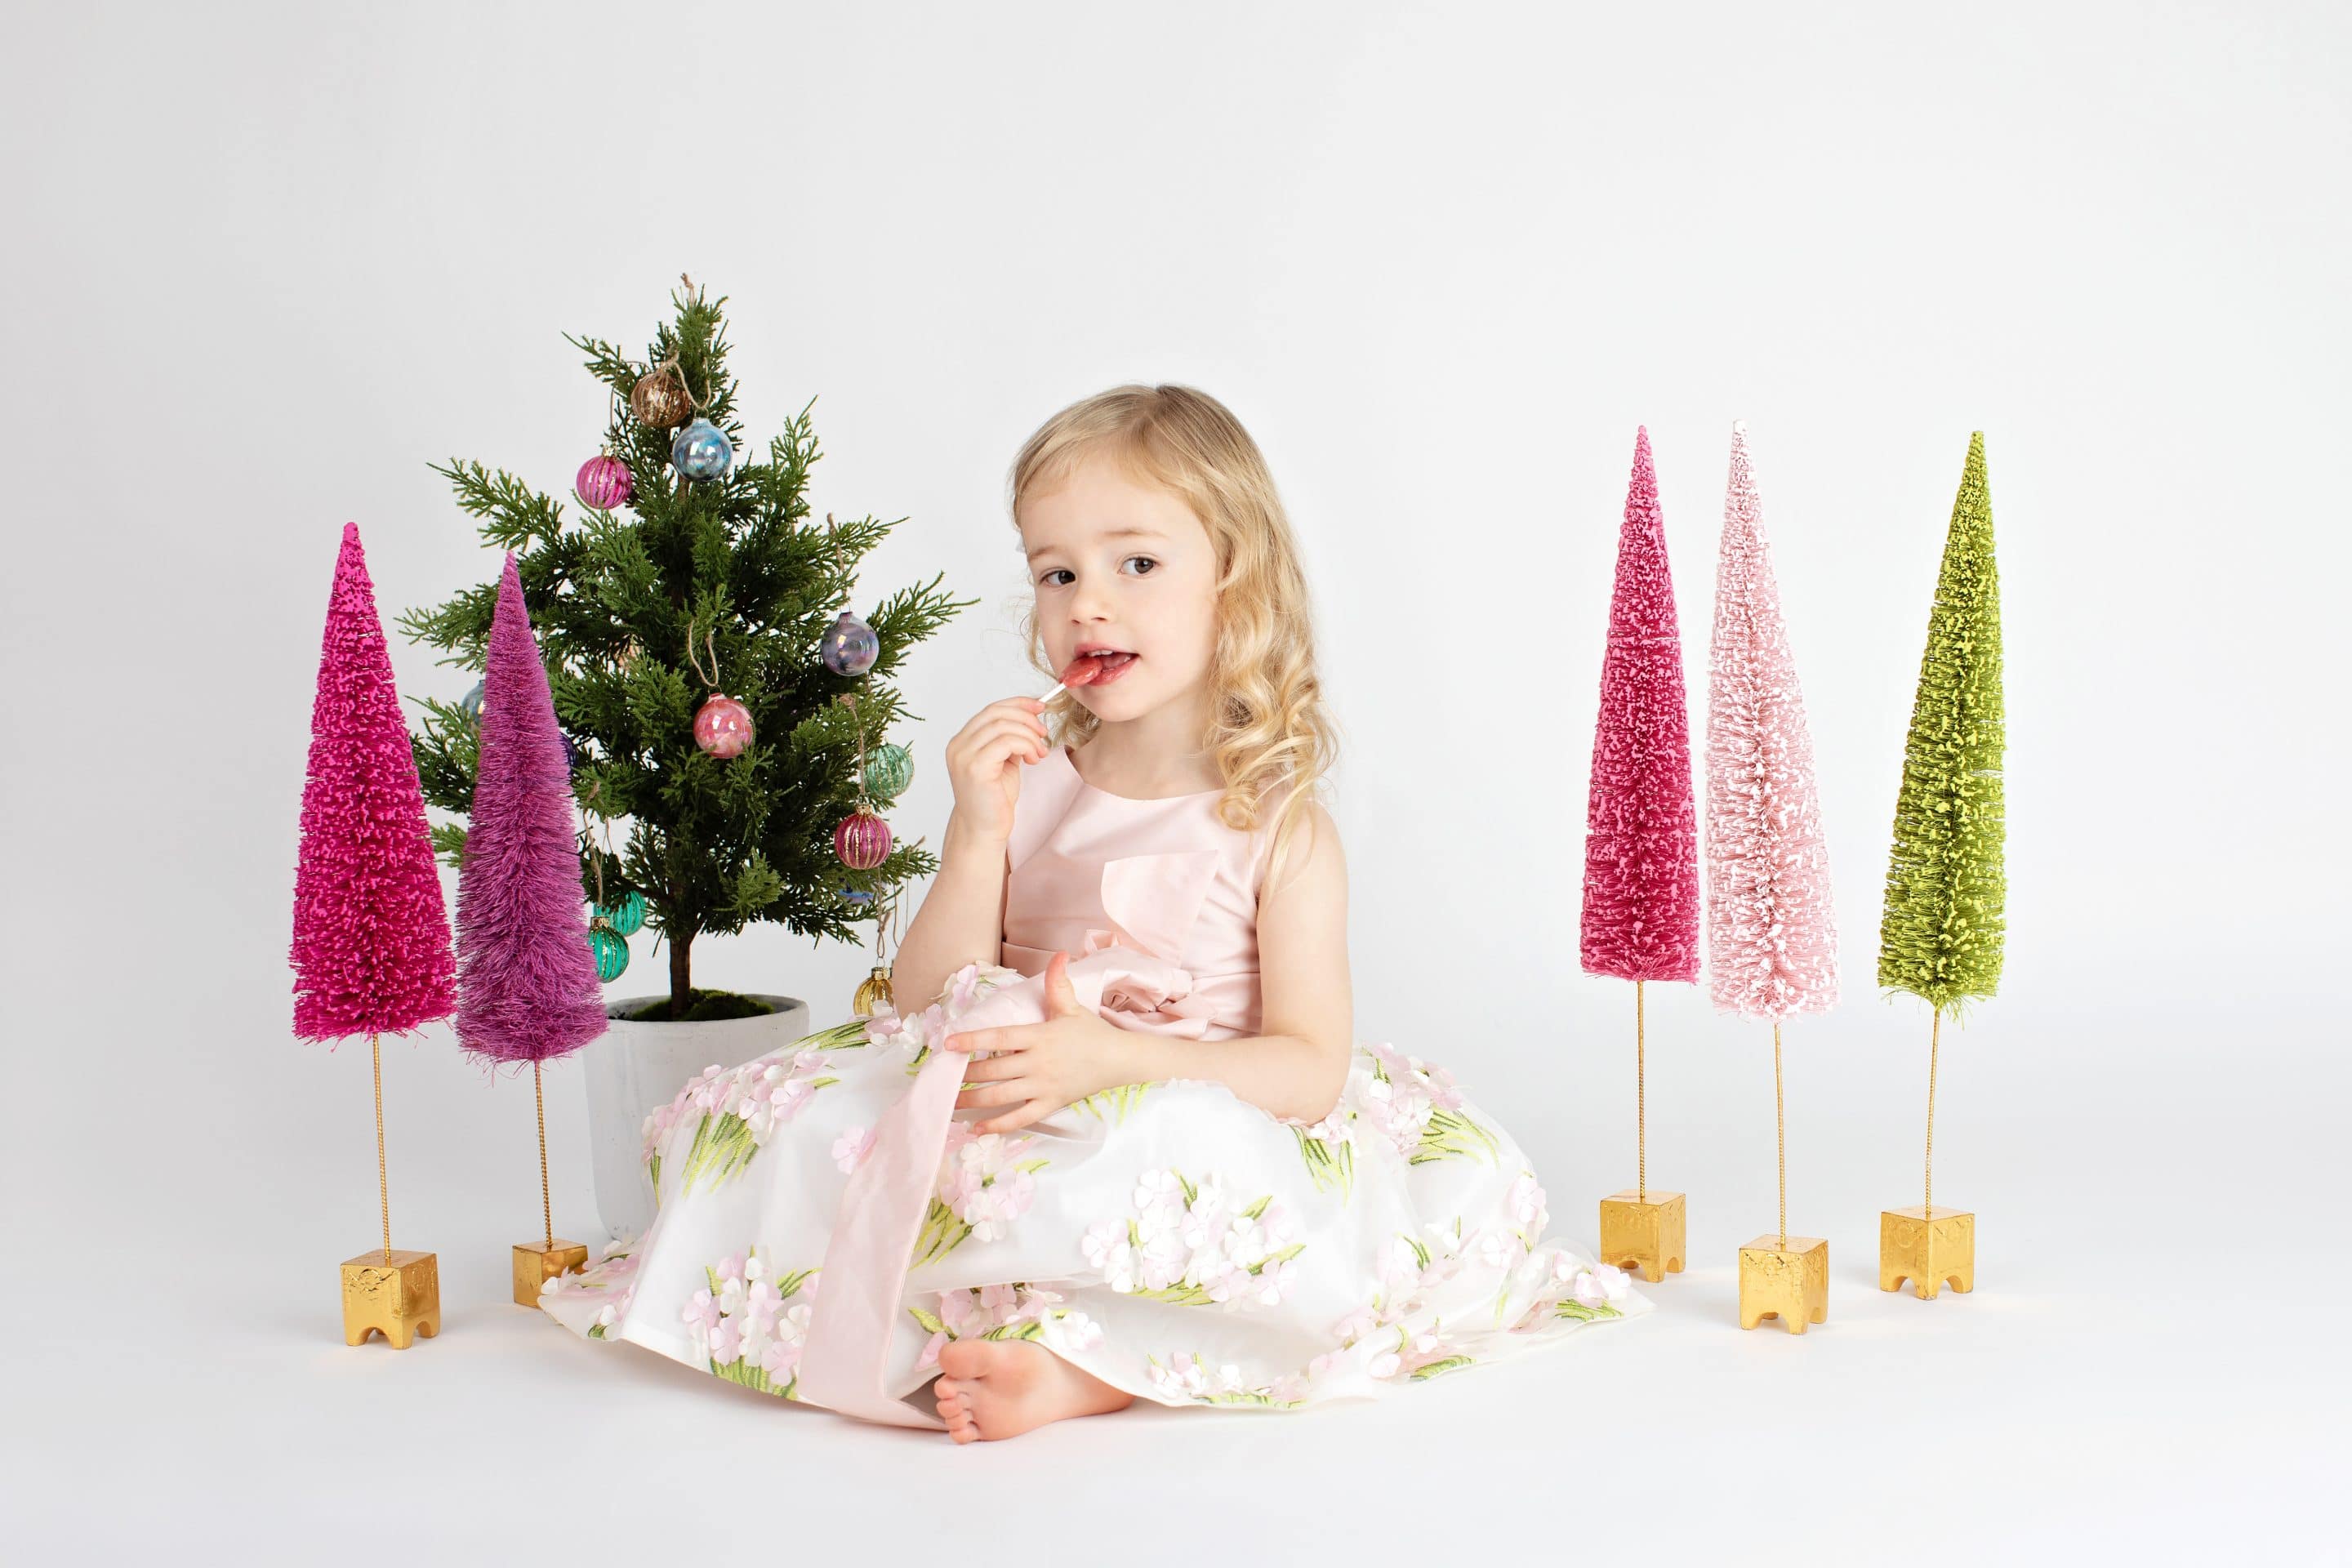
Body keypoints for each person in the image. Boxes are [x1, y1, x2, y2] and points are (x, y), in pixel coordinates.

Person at [538, 384, 1649, 1441]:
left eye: (1138, 562)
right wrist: (977, 829)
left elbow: (1307, 1069)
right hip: (1014, 1082)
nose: (1090, 603)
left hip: (1183, 1091)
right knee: (809, 1122)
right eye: (1057, 572)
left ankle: (1085, 1362)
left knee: (1162, 1163)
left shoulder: (1277, 821)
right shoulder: (1033, 784)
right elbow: (920, 1003)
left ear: (1238, 585)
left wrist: (1109, 1061)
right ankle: (949, 1323)